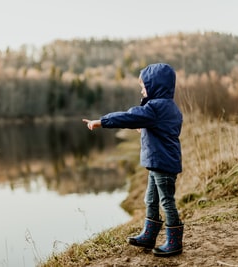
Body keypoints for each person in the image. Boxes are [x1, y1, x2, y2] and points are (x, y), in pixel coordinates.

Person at [82, 63, 184, 257]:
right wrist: (146, 127)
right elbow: (164, 128)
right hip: (160, 163)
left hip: (162, 163)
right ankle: (149, 234)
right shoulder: (169, 107)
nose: (142, 90)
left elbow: (128, 117)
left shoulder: (154, 107)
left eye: (144, 86)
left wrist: (102, 121)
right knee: (150, 199)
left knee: (166, 201)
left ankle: (174, 241)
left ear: (156, 86)